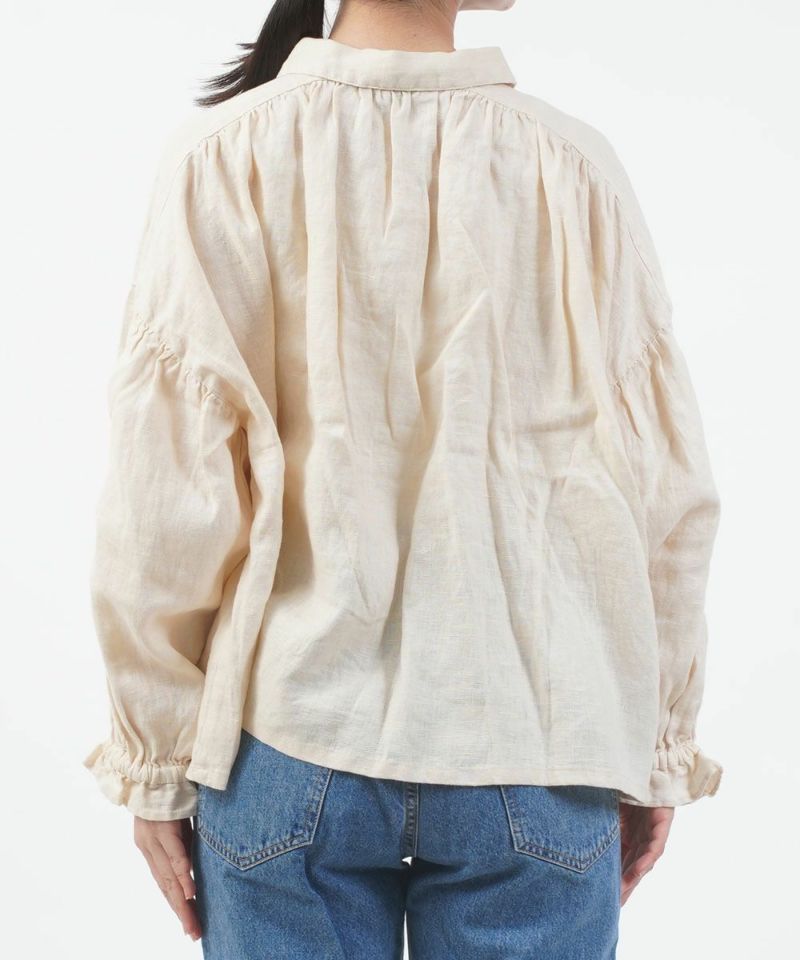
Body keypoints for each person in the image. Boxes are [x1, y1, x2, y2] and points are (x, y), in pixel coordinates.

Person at [83, 0, 723, 956]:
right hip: (540, 741)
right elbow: (664, 489)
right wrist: (656, 744)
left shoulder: (223, 156)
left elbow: (165, 494)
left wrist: (157, 761)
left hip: (285, 740)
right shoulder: (572, 167)